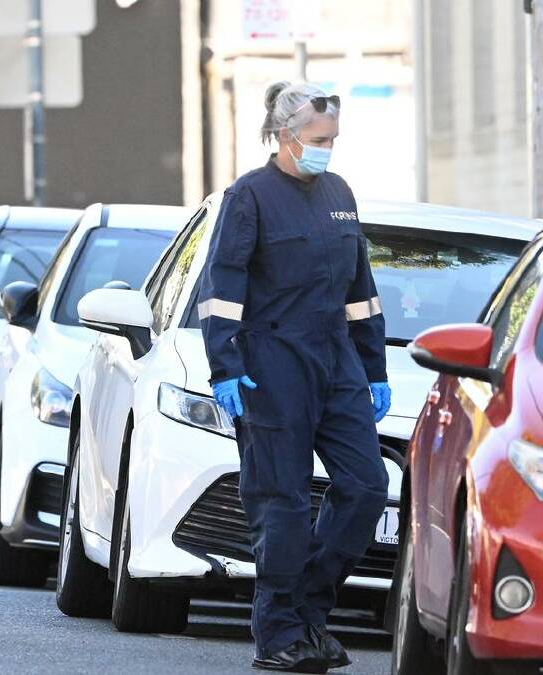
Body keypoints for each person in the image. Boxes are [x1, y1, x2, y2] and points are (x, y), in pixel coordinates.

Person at [197, 82, 391, 673]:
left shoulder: (339, 193)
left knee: (366, 486)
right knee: (281, 503)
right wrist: (225, 366)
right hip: (271, 364)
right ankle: (278, 632)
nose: (327, 150)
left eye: (332, 139)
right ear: (284, 137)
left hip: (336, 362)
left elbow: (361, 294)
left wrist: (374, 368)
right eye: (318, 139)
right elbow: (220, 289)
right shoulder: (248, 197)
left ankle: (306, 608)